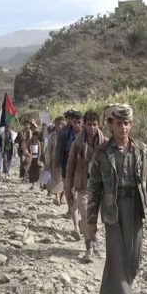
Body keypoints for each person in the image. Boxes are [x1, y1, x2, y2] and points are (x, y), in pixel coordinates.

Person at [87, 104, 147, 294]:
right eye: (118, 123)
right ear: (110, 125)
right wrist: (91, 221)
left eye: (126, 123)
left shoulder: (141, 151)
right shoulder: (101, 153)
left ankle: (111, 293)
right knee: (117, 257)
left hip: (135, 208)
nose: (123, 127)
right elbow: (94, 189)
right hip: (112, 210)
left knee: (133, 259)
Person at [65, 111, 105, 258]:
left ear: (98, 125)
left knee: (96, 220)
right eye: (89, 124)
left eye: (94, 125)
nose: (92, 128)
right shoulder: (77, 144)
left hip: (100, 187)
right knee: (87, 216)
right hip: (82, 186)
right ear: (84, 125)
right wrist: (68, 190)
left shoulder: (105, 144)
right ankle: (89, 247)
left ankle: (93, 240)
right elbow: (70, 168)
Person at [57, 109, 83, 216]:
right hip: (66, 162)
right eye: (74, 121)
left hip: (81, 164)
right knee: (67, 187)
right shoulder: (64, 132)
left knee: (80, 188)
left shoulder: (86, 133)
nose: (76, 124)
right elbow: (59, 148)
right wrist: (57, 162)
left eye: (78, 122)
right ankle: (70, 209)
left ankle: (79, 211)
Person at [46, 116, 67, 205]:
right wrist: (48, 162)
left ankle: (63, 196)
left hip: (66, 160)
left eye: (62, 124)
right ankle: (57, 196)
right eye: (58, 124)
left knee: (64, 178)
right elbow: (49, 150)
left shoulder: (67, 135)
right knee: (56, 178)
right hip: (55, 160)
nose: (60, 126)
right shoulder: (52, 136)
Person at [25, 121, 43, 188]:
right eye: (34, 136)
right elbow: (26, 148)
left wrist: (39, 160)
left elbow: (40, 151)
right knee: (32, 172)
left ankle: (41, 184)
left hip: (38, 158)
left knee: (39, 172)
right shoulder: (30, 142)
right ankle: (32, 185)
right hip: (32, 158)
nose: (35, 137)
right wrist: (28, 154)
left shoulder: (39, 142)